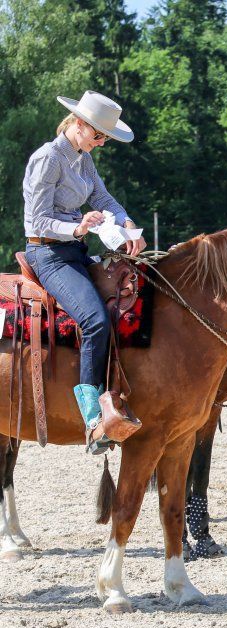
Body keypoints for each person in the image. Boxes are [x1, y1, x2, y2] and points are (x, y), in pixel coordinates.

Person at [22, 90, 146, 448]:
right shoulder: (47, 158)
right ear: (79, 123)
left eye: (106, 137)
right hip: (48, 254)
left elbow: (103, 198)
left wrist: (126, 223)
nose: (102, 142)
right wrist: (77, 228)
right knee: (95, 320)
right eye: (98, 135)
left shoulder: (83, 157)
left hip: (74, 252)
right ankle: (92, 418)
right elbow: (37, 221)